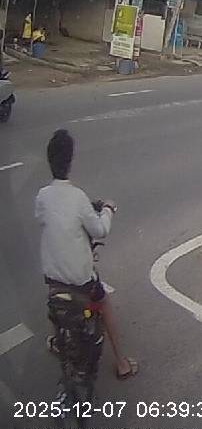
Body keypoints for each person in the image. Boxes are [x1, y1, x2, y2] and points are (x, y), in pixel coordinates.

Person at [37, 129, 138, 381]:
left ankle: (59, 340)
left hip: (52, 278)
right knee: (104, 304)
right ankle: (122, 363)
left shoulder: (43, 196)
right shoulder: (78, 197)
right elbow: (100, 230)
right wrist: (108, 209)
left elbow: (44, 218)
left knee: (56, 303)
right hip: (81, 280)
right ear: (70, 161)